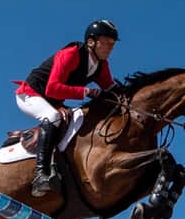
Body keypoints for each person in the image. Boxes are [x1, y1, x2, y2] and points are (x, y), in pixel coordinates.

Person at [14, 19, 119, 197]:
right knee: (53, 117)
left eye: (113, 44)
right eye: (106, 42)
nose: (110, 47)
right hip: (30, 94)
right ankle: (41, 174)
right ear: (91, 41)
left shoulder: (101, 65)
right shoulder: (71, 54)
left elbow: (111, 89)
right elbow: (52, 88)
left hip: (53, 101)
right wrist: (86, 91)